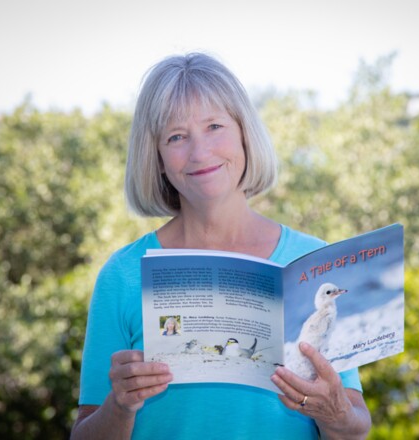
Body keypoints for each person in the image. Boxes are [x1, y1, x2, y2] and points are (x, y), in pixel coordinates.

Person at [71, 52, 371, 439]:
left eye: (214, 126)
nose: (200, 152)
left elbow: (355, 431)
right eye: (176, 136)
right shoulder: (123, 274)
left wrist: (336, 414)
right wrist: (121, 404)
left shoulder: (313, 263)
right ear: (158, 158)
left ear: (245, 133)